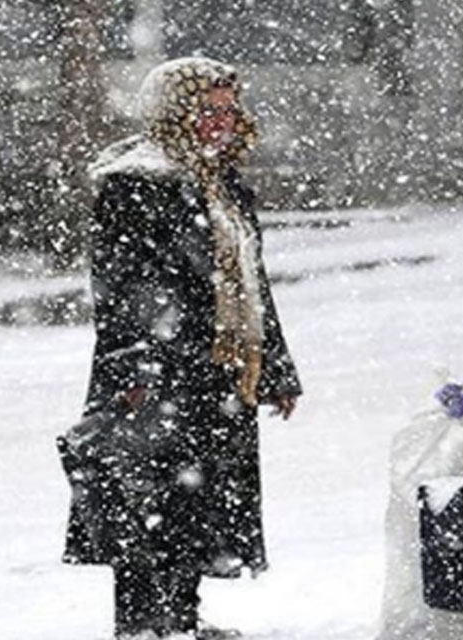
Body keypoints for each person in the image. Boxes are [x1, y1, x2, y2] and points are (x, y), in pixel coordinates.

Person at [63, 57, 302, 640]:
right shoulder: (137, 182)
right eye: (208, 110)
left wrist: (275, 369)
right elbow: (120, 289)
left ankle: (184, 621)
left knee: (199, 503)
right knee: (147, 500)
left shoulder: (221, 184)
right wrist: (135, 369)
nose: (223, 121)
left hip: (218, 373)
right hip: (156, 371)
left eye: (228, 109)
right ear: (174, 113)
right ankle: (144, 627)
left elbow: (251, 283)